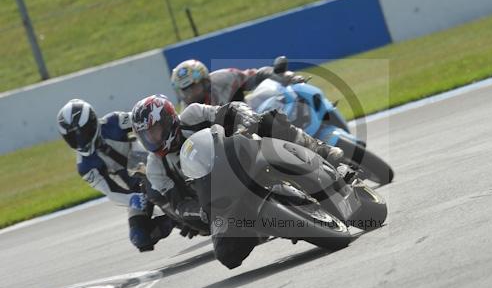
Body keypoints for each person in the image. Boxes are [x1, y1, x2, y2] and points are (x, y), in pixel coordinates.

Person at [131, 94, 344, 268]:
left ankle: (322, 151)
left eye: (154, 132)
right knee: (227, 257)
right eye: (146, 136)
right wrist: (200, 211)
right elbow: (179, 205)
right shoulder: (155, 168)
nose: (152, 140)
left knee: (270, 121)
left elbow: (230, 110)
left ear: (168, 120)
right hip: (221, 202)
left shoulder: (194, 114)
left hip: (242, 159)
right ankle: (266, 225)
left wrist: (247, 118)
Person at [56, 99, 174, 252]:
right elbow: (110, 191)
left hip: (152, 162)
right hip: (136, 190)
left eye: (82, 134)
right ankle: (173, 219)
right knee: (139, 237)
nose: (80, 141)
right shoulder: (84, 166)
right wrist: (132, 199)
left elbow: (145, 121)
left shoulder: (115, 121)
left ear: (92, 123)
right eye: (72, 138)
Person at [170, 57, 306, 107]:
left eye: (193, 87)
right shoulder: (187, 113)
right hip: (229, 151)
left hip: (255, 120)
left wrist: (283, 77)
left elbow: (256, 76)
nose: (190, 94)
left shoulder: (224, 78)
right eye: (185, 91)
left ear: (205, 82)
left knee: (268, 94)